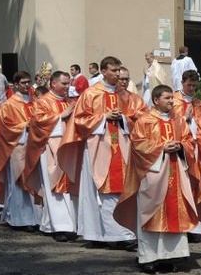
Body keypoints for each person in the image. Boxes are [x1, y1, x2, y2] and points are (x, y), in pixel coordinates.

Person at [57, 56, 147, 249]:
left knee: (121, 188)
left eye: (119, 71)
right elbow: (79, 120)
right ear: (104, 71)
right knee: (97, 192)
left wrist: (123, 118)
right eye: (114, 71)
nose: (117, 74)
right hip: (97, 148)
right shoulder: (90, 94)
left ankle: (122, 234)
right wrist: (103, 117)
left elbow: (141, 116)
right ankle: (98, 234)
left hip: (121, 147)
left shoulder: (127, 96)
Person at [114, 85, 198, 274]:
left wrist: (181, 146)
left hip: (175, 172)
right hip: (152, 175)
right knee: (150, 213)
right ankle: (149, 257)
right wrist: (161, 148)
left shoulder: (179, 121)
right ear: (156, 100)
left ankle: (172, 256)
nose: (171, 101)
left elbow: (189, 141)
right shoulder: (145, 120)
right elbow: (137, 144)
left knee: (174, 212)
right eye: (167, 98)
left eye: (172, 98)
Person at [21, 71, 78, 242]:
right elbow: (37, 123)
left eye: (69, 83)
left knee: (67, 188)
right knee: (54, 187)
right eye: (64, 83)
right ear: (53, 83)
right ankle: (61, 227)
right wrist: (61, 116)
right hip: (50, 148)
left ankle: (48, 224)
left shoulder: (69, 102)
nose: (68, 87)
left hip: (68, 148)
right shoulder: (43, 101)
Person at [0, 71, 40, 231]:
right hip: (16, 147)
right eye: (23, 82)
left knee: (34, 182)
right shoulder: (9, 104)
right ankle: (20, 220)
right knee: (18, 184)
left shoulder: (35, 102)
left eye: (28, 82)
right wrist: (24, 126)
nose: (27, 85)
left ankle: (35, 218)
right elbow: (3, 128)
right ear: (16, 85)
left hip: (34, 148)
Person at [173, 70, 201, 240]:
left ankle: (194, 228)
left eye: (194, 86)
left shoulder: (199, 103)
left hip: (196, 149)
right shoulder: (172, 100)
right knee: (182, 186)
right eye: (189, 85)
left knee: (195, 185)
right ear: (182, 82)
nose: (191, 88)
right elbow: (167, 122)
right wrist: (184, 119)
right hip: (180, 150)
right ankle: (181, 225)